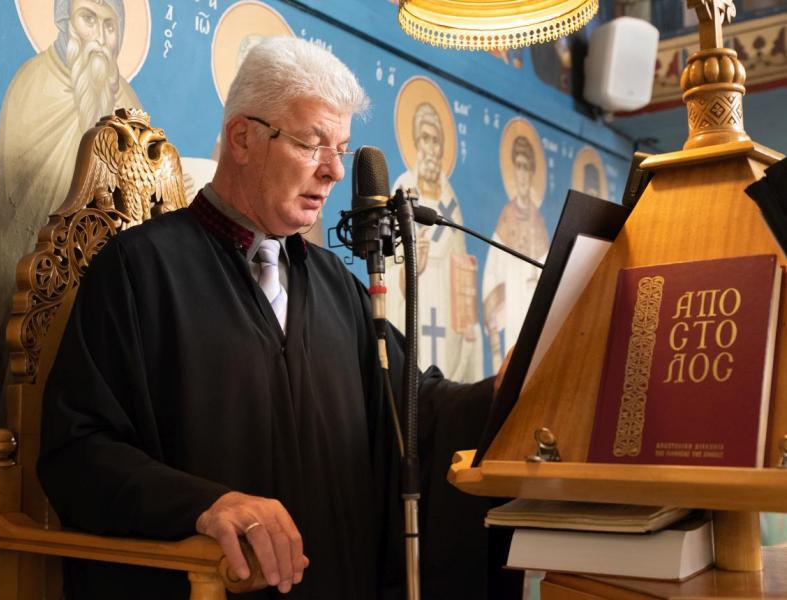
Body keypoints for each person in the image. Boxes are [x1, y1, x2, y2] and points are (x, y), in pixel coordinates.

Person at [38, 38, 510, 599]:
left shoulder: (338, 286)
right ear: (243, 138)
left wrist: (501, 395)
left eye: (341, 148)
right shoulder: (140, 269)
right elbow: (79, 451)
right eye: (313, 144)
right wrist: (205, 505)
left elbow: (411, 413)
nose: (334, 171)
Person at [0, 0, 141, 430]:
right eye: (88, 19)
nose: (99, 36)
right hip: (35, 259)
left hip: (103, 273)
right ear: (64, 22)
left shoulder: (128, 102)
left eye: (110, 25)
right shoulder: (33, 83)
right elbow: (14, 195)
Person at [387, 100, 484, 383]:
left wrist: (467, 318)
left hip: (445, 306)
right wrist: (409, 271)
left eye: (436, 141)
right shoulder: (402, 189)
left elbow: (461, 263)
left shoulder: (450, 200)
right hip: (413, 297)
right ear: (416, 144)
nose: (431, 149)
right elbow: (388, 266)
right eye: (425, 139)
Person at [482, 132, 549, 373]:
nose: (522, 174)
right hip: (513, 310)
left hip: (535, 310)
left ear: (532, 173)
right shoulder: (506, 220)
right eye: (518, 166)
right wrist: (495, 306)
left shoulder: (540, 224)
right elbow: (492, 274)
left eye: (526, 167)